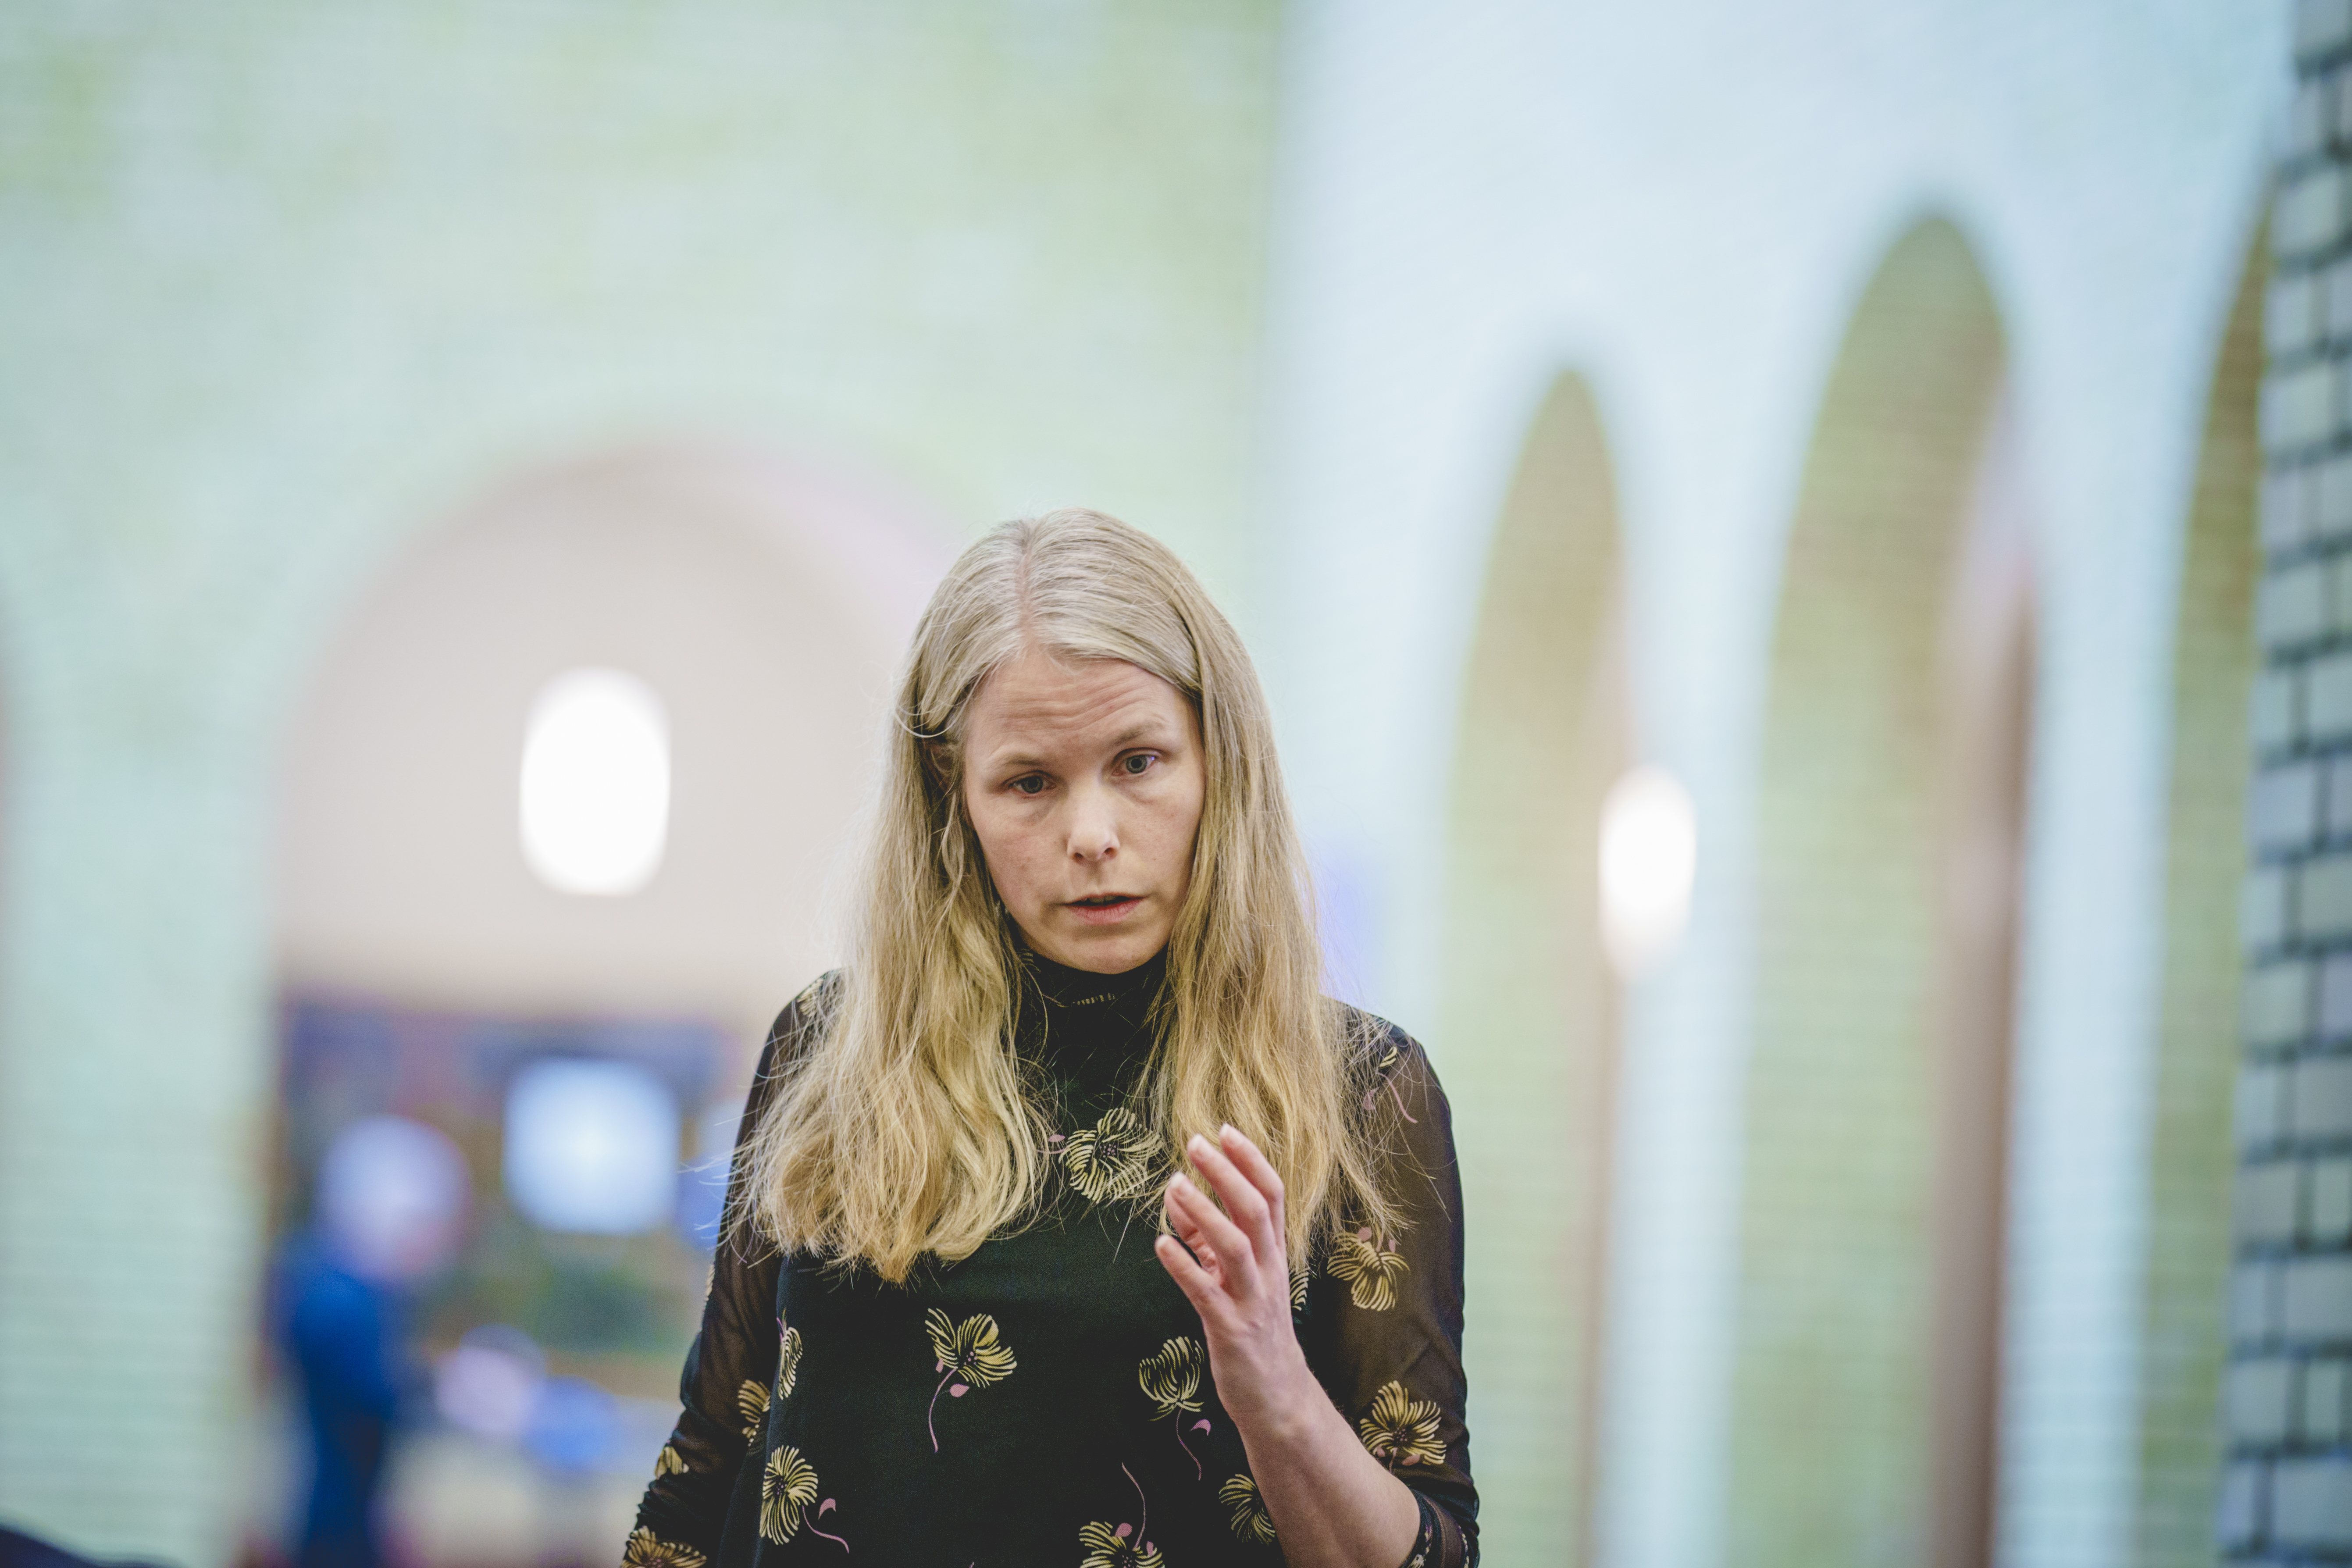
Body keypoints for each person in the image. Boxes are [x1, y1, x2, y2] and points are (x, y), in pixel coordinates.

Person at [624, 510, 1474, 1567]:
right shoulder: (831, 1047)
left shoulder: (1357, 1092)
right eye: (1030, 782)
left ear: (1220, 763)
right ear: (954, 800)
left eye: (1139, 761)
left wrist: (1277, 1390)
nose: (1092, 835)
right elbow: (711, 1455)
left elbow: (1434, 1552)